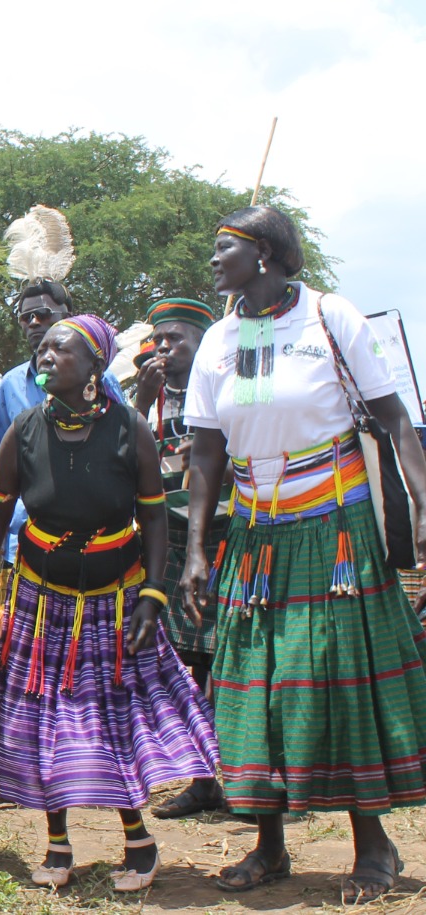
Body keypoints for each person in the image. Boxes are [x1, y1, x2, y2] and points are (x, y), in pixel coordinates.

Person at [182, 207, 426, 904]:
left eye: (223, 248)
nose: (213, 260)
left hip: (334, 526)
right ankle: (268, 842)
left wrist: (424, 497)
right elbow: (205, 450)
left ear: (263, 253)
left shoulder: (329, 317)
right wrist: (199, 545)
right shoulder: (218, 339)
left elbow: (392, 415)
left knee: (337, 672)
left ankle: (373, 845)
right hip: (255, 534)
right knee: (257, 678)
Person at [0, 314, 217, 892]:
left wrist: (153, 596)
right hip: (40, 593)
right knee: (45, 720)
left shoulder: (128, 428)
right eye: (44, 347)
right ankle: (57, 845)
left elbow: (155, 516)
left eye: (61, 347)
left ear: (92, 367)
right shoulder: (24, 430)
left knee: (112, 719)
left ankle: (138, 840)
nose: (46, 353)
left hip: (116, 595)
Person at [0, 206, 123, 804]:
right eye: (26, 317)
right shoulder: (9, 385)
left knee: (84, 660)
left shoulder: (100, 384)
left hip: (95, 546)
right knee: (18, 661)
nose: (35, 324)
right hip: (23, 546)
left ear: (69, 319)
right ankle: (17, 774)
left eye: (46, 315)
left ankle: (88, 770)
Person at [129, 297, 233, 819]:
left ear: (203, 343)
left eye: (178, 340)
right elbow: (127, 455)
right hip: (167, 540)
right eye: (160, 339)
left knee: (227, 658)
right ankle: (201, 779)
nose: (165, 348)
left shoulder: (222, 393)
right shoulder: (151, 398)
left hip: (225, 537)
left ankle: (242, 776)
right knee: (185, 662)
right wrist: (143, 403)